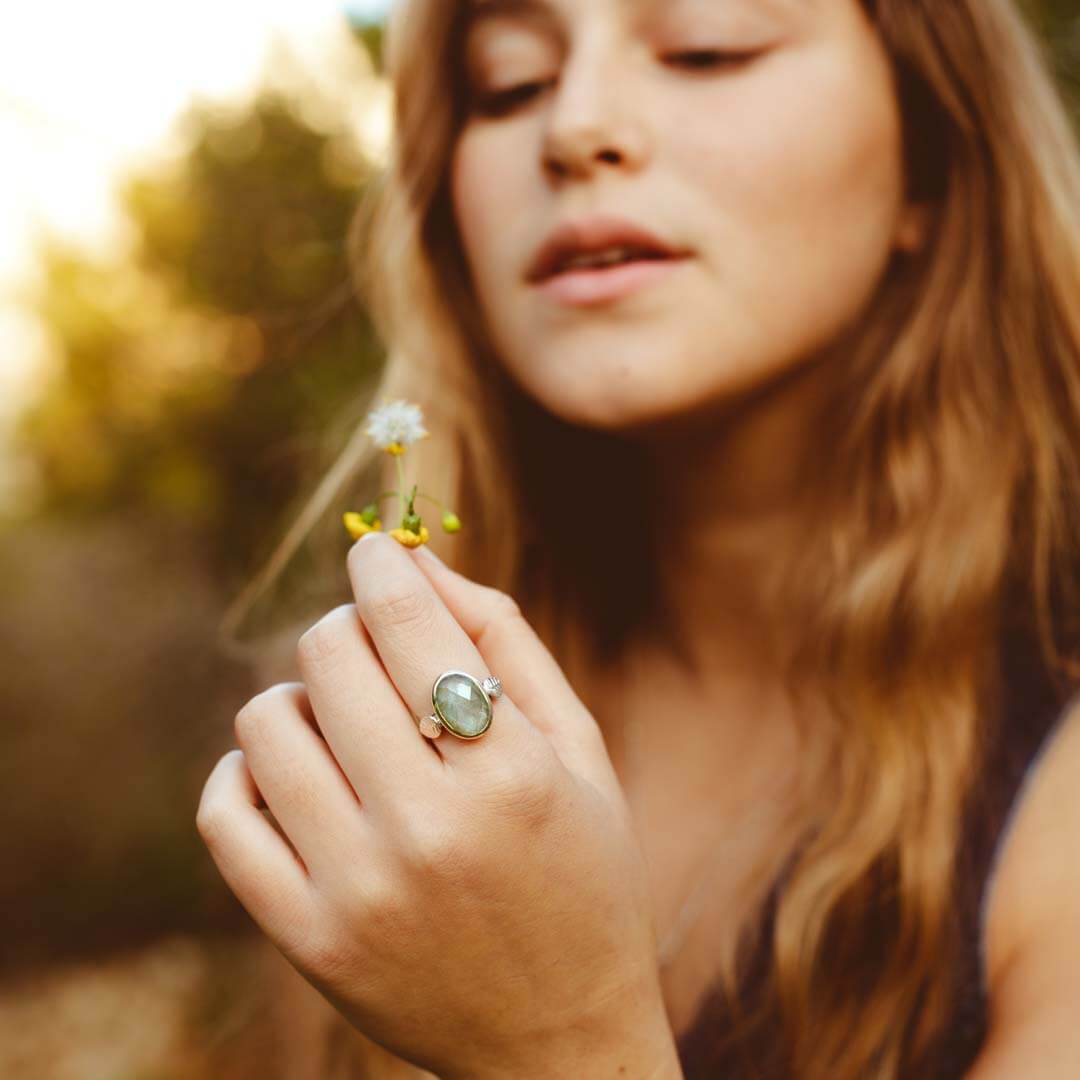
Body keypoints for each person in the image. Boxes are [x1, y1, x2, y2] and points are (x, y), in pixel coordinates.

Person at [197, 0, 1080, 1076]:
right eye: (509, 83)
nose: (575, 127)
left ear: (933, 165)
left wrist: (559, 1044)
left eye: (711, 45)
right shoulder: (371, 738)